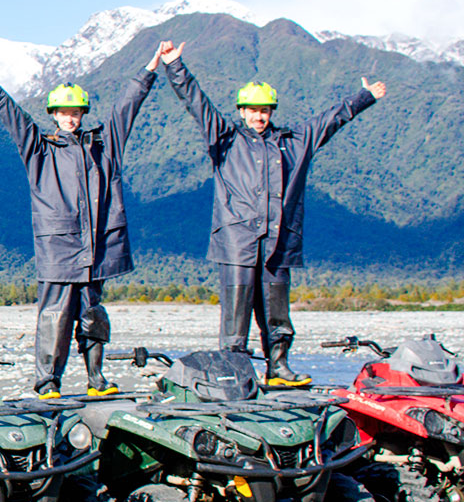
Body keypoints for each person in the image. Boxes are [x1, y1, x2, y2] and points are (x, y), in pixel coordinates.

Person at [160, 43, 387, 385]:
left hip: (279, 242)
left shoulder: (294, 141)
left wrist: (364, 97)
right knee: (235, 317)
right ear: (241, 111)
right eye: (252, 110)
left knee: (277, 312)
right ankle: (233, 373)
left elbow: (331, 119)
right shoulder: (225, 139)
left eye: (264, 109)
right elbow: (196, 101)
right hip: (237, 242)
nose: (258, 116)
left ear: (272, 110)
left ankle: (278, 368)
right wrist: (175, 64)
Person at [0, 42, 168, 398]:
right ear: (54, 114)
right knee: (54, 318)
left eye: (76, 112)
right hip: (58, 247)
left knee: (93, 315)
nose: (70, 117)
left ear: (83, 113)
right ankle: (48, 382)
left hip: (96, 248)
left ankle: (96, 379)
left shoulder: (105, 145)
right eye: (63, 112)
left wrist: (150, 70)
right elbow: (15, 120)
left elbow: (127, 108)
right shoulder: (40, 149)